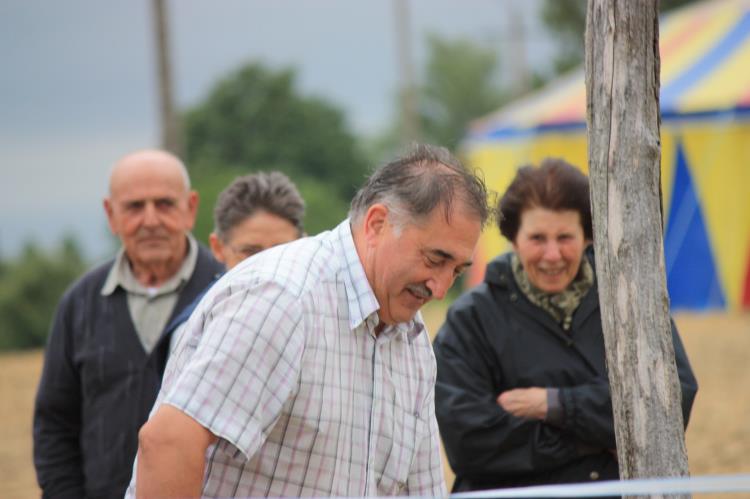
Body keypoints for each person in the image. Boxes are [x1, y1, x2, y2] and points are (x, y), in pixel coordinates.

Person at [126, 144, 490, 498]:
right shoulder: (283, 299)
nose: (441, 288)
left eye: (456, 270)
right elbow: (168, 444)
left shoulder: (410, 340)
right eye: (434, 259)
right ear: (377, 224)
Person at [433, 158, 698, 492]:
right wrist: (593, 441)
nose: (553, 254)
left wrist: (554, 404)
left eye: (565, 237)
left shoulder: (632, 307)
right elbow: (469, 441)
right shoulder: (470, 319)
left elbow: (673, 400)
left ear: (588, 237)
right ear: (513, 239)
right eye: (538, 238)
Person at [33, 150, 224, 499]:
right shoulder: (80, 303)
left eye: (164, 204)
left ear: (191, 208)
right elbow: (55, 423)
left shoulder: (226, 292)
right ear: (111, 215)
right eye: (134, 207)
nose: (150, 220)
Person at [165, 170, 306, 352]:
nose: (270, 267)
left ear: (304, 245)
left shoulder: (330, 318)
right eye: (250, 252)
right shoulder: (193, 336)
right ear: (217, 248)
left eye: (281, 251)